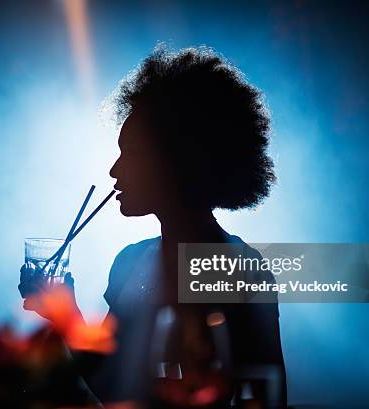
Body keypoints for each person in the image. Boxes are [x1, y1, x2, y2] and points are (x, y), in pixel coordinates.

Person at [21, 45, 286, 408]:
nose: (115, 170)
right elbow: (117, 388)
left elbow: (266, 398)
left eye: (131, 152)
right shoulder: (130, 261)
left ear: (176, 159)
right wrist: (66, 314)